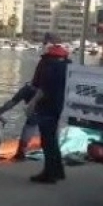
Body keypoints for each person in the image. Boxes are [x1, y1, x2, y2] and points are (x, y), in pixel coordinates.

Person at [24, 32, 70, 184]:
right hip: (59, 103)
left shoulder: (47, 61)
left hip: (46, 104)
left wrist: (32, 103)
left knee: (47, 140)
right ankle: (58, 170)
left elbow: (43, 86)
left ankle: (49, 173)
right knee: (52, 137)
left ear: (49, 43)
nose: (43, 45)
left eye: (44, 42)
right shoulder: (65, 60)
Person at [0, 83, 39, 161]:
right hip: (42, 102)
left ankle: (21, 152)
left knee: (30, 125)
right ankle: (21, 152)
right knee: (33, 124)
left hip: (33, 92)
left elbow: (10, 104)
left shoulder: (27, 88)